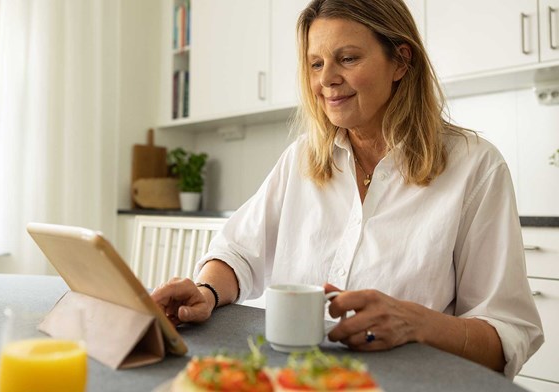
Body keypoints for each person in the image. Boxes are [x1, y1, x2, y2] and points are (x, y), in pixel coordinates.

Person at [151, 0, 543, 378]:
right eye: (315, 64)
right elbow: (236, 252)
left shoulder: (475, 166)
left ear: (401, 62)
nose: (326, 80)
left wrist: (417, 323)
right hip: (292, 378)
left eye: (348, 58)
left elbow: (506, 336)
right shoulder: (301, 158)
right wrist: (206, 291)